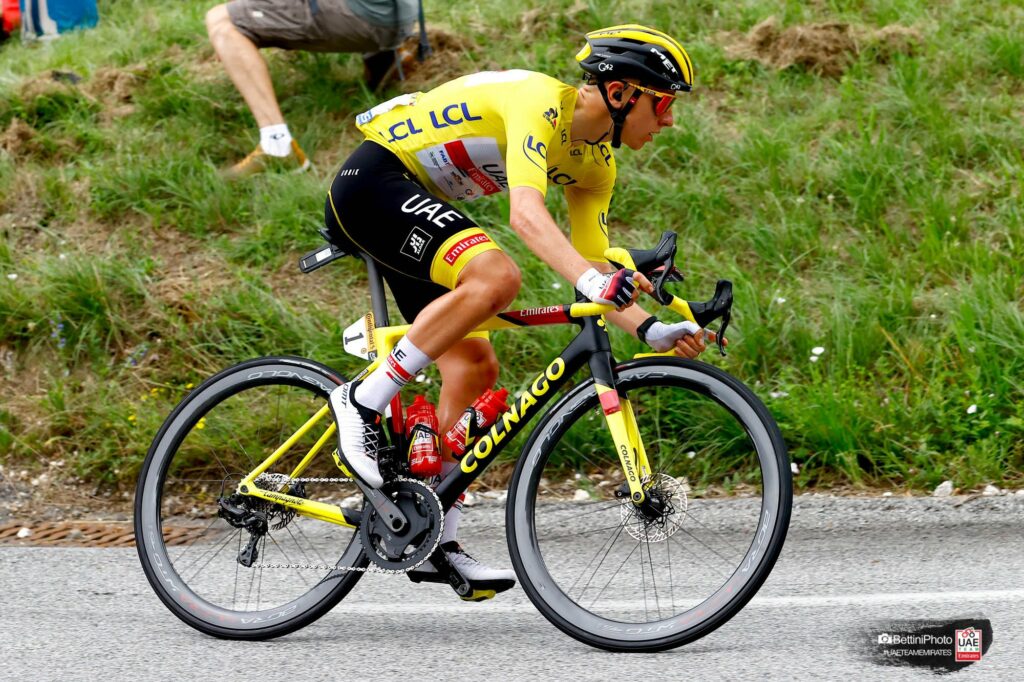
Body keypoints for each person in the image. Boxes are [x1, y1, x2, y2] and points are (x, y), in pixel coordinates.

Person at [324, 24, 717, 597]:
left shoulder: (596, 165)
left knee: (474, 369)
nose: (669, 120)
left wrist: (653, 329)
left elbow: (593, 276)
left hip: (418, 205)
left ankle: (435, 540)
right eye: (662, 103)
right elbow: (527, 218)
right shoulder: (540, 102)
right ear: (621, 93)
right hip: (374, 181)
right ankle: (360, 401)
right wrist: (594, 280)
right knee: (497, 276)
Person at [206, 0, 420, 179]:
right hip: (402, 15)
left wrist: (243, 18)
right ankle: (384, 57)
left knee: (224, 22)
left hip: (366, 19)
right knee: (244, 11)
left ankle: (277, 146)